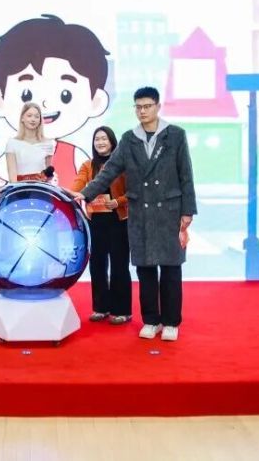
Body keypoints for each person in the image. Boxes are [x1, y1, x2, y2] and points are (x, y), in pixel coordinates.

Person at [72, 87, 196, 342]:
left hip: (170, 211)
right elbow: (109, 171)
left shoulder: (175, 135)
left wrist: (187, 211)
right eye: (138, 107)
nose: (142, 111)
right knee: (145, 269)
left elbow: (186, 175)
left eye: (147, 106)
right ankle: (151, 320)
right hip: (140, 212)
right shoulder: (129, 139)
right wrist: (84, 194)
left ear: (158, 106)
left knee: (171, 269)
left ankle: (171, 321)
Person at [0, 14, 112, 189]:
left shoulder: (71, 154)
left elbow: (86, 187)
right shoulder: (12, 144)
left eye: (66, 95)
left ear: (96, 101)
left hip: (55, 203)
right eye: (26, 94)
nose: (45, 105)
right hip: (20, 201)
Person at [69, 126, 131, 325]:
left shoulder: (123, 164)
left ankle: (122, 311)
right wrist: (68, 193)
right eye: (97, 139)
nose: (100, 142)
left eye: (104, 139)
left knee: (119, 265)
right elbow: (78, 186)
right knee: (97, 265)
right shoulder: (87, 165)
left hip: (119, 220)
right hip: (95, 221)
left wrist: (119, 201)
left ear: (112, 142)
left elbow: (133, 192)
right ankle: (101, 307)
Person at [4, 102, 57, 183]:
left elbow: (48, 176)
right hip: (20, 189)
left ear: (40, 120)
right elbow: (12, 177)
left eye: (36, 116)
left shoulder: (48, 144)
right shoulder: (12, 143)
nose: (33, 119)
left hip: (40, 188)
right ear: (22, 118)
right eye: (29, 116)